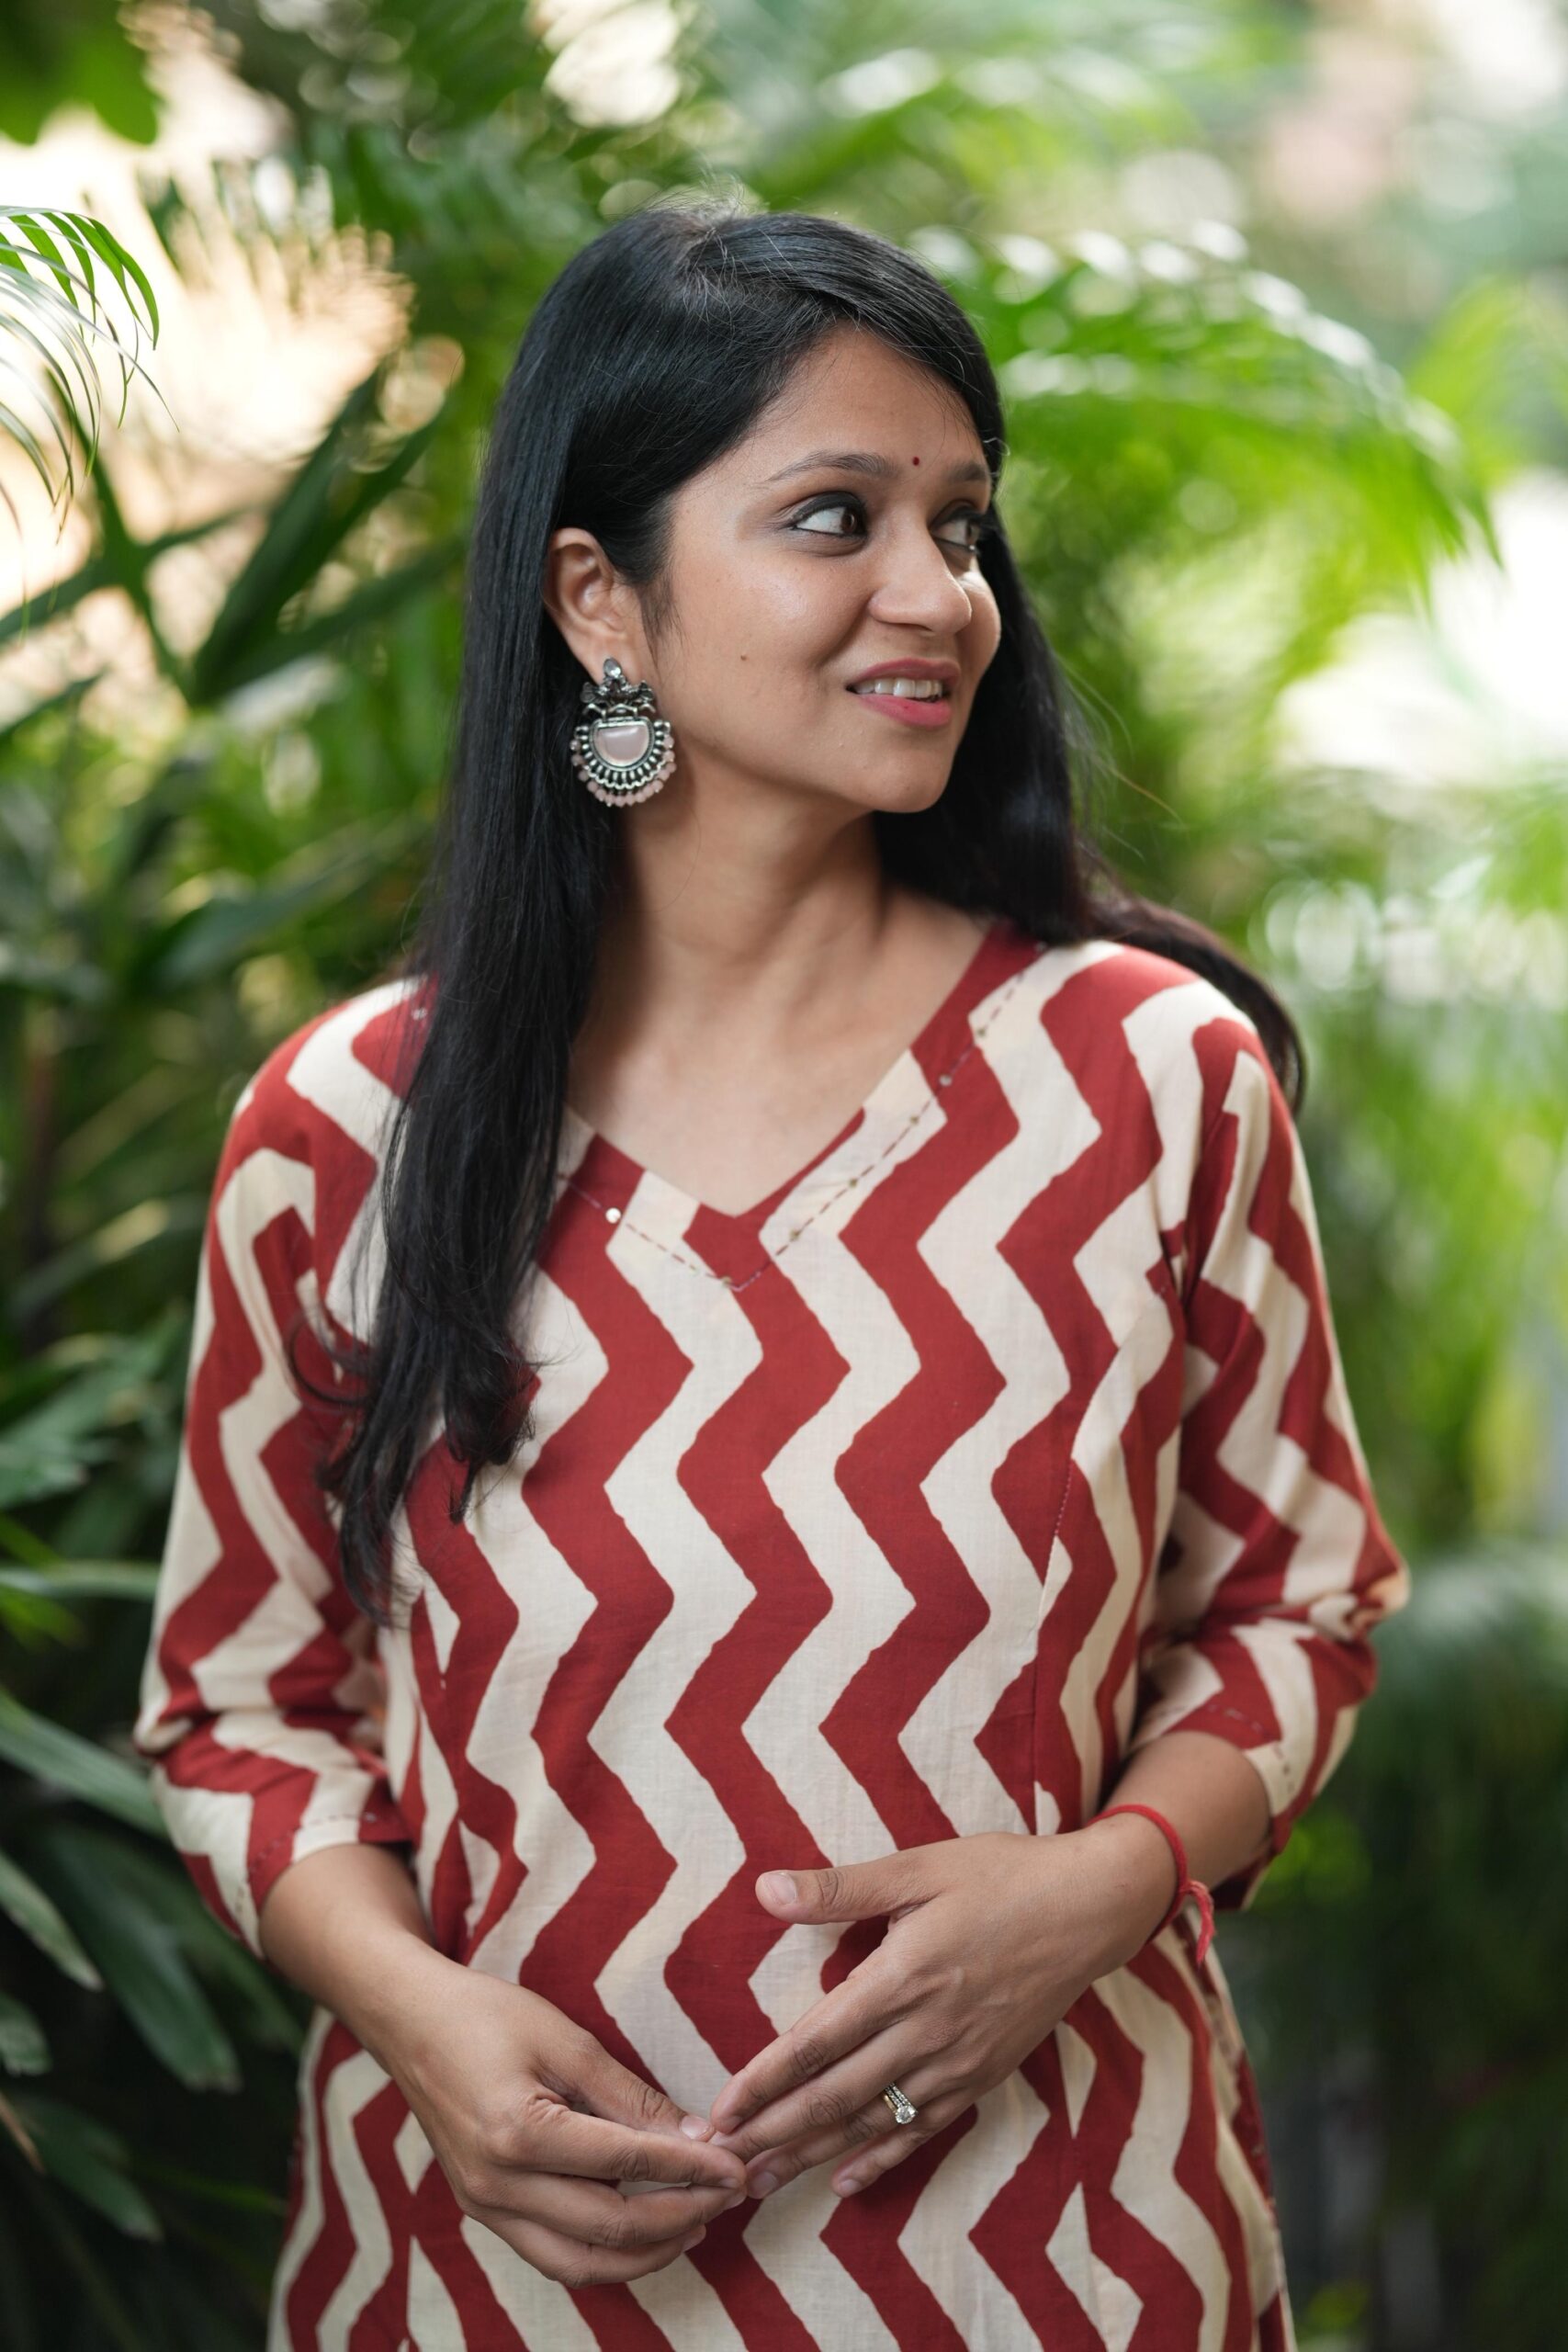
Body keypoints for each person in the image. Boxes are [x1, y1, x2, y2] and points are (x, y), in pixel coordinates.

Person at [133, 199, 1411, 2350]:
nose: (940, 594)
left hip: (1061, 2258)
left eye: (960, 524)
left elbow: (1298, 1605)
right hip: (487, 2279)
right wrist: (419, 2011)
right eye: (836, 517)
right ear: (597, 599)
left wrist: (1098, 1883)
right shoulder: (350, 1122)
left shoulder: (1146, 1077)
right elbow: (241, 1700)